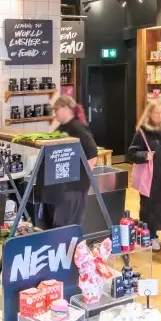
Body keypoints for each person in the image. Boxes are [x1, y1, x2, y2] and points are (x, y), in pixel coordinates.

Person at [126, 100, 161, 250]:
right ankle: (151, 235)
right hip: (151, 179)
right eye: (156, 112)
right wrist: (144, 155)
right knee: (150, 208)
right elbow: (131, 153)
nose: (159, 115)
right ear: (149, 113)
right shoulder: (142, 132)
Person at [45, 95, 98, 229]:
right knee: (60, 223)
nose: (55, 113)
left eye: (56, 109)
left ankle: (72, 249)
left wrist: (82, 176)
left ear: (66, 108)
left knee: (68, 225)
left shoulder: (77, 128)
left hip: (75, 187)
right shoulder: (61, 129)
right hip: (62, 185)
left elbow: (92, 153)